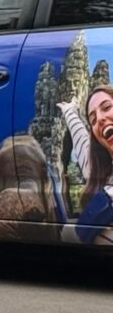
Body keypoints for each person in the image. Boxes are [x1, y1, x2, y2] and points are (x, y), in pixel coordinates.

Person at [59, 85, 113, 244]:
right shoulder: (96, 169)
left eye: (107, 107)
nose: (100, 119)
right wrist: (69, 111)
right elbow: (81, 140)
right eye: (93, 120)